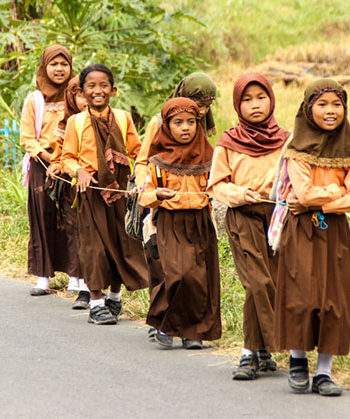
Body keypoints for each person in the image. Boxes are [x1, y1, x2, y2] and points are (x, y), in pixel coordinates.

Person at [272, 78, 350, 396]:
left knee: (333, 301)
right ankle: (298, 362)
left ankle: (324, 373)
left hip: (334, 233)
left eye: (337, 104)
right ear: (307, 108)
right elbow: (302, 192)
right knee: (302, 296)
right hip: (301, 231)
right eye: (322, 104)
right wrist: (337, 191)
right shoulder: (297, 150)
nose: (330, 111)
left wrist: (324, 199)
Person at [207, 73, 290, 380]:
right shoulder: (229, 142)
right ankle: (268, 346)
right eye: (247, 99)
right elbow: (216, 184)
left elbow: (295, 177)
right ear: (237, 105)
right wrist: (239, 194)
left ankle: (254, 354)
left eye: (261, 97)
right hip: (242, 217)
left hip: (278, 219)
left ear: (271, 99)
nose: (255, 105)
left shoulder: (287, 140)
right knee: (258, 283)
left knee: (272, 282)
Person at [61, 64, 149, 325]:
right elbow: (66, 157)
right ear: (81, 91)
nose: (97, 91)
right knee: (94, 248)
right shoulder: (76, 122)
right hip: (90, 192)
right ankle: (96, 303)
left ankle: (114, 296)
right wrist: (79, 171)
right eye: (91, 86)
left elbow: (138, 152)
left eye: (103, 86)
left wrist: (143, 179)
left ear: (113, 90)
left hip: (121, 191)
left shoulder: (123, 118)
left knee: (122, 245)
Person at [134, 71, 218, 340]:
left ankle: (192, 331)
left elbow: (215, 180)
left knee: (197, 277)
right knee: (173, 273)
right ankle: (164, 322)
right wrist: (152, 194)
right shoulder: (159, 131)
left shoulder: (203, 144)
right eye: (197, 103)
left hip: (199, 220)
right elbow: (145, 164)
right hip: (167, 217)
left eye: (205, 108)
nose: (198, 115)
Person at [19, 45, 73, 296]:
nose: (60, 69)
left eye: (64, 64)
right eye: (54, 64)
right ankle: (43, 277)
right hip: (43, 166)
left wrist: (65, 161)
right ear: (44, 67)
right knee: (43, 219)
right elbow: (27, 138)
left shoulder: (77, 95)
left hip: (72, 167)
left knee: (73, 221)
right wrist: (50, 158)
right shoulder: (35, 100)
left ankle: (77, 275)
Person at [46, 76, 91, 309]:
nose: (85, 100)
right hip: (70, 187)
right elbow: (59, 152)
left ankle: (92, 282)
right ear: (71, 97)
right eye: (80, 95)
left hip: (94, 186)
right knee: (75, 233)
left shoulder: (102, 120)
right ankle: (78, 278)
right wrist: (55, 164)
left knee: (91, 235)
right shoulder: (67, 123)